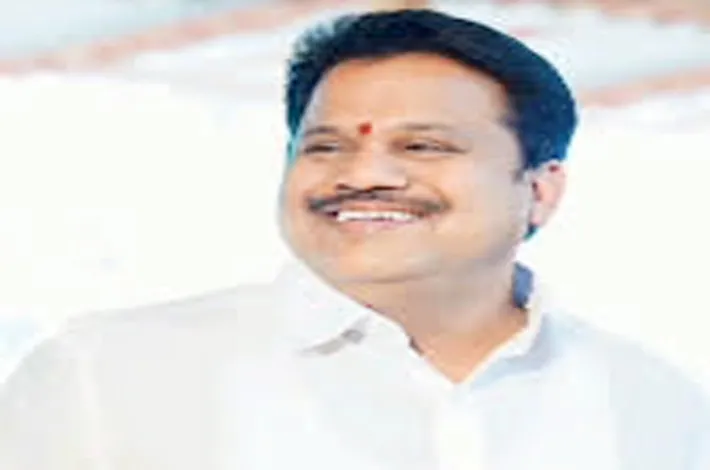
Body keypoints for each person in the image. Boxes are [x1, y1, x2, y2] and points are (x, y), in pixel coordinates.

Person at [1, 8, 708, 470]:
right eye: (325, 146)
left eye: (423, 145)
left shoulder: (651, 402)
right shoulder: (107, 375)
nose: (363, 175)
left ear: (540, 191)